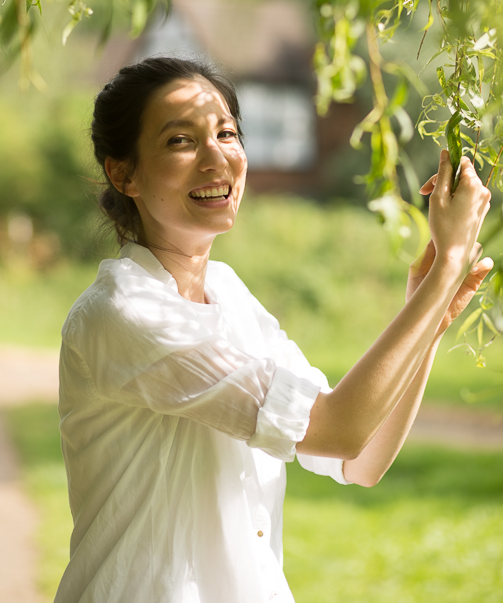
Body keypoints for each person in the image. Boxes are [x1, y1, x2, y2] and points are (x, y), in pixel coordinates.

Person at [54, 56, 492, 603]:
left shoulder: (231, 295)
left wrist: (429, 314)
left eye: (227, 133)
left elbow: (360, 458)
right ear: (124, 173)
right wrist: (446, 268)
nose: (216, 158)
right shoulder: (123, 313)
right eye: (180, 141)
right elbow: (338, 429)